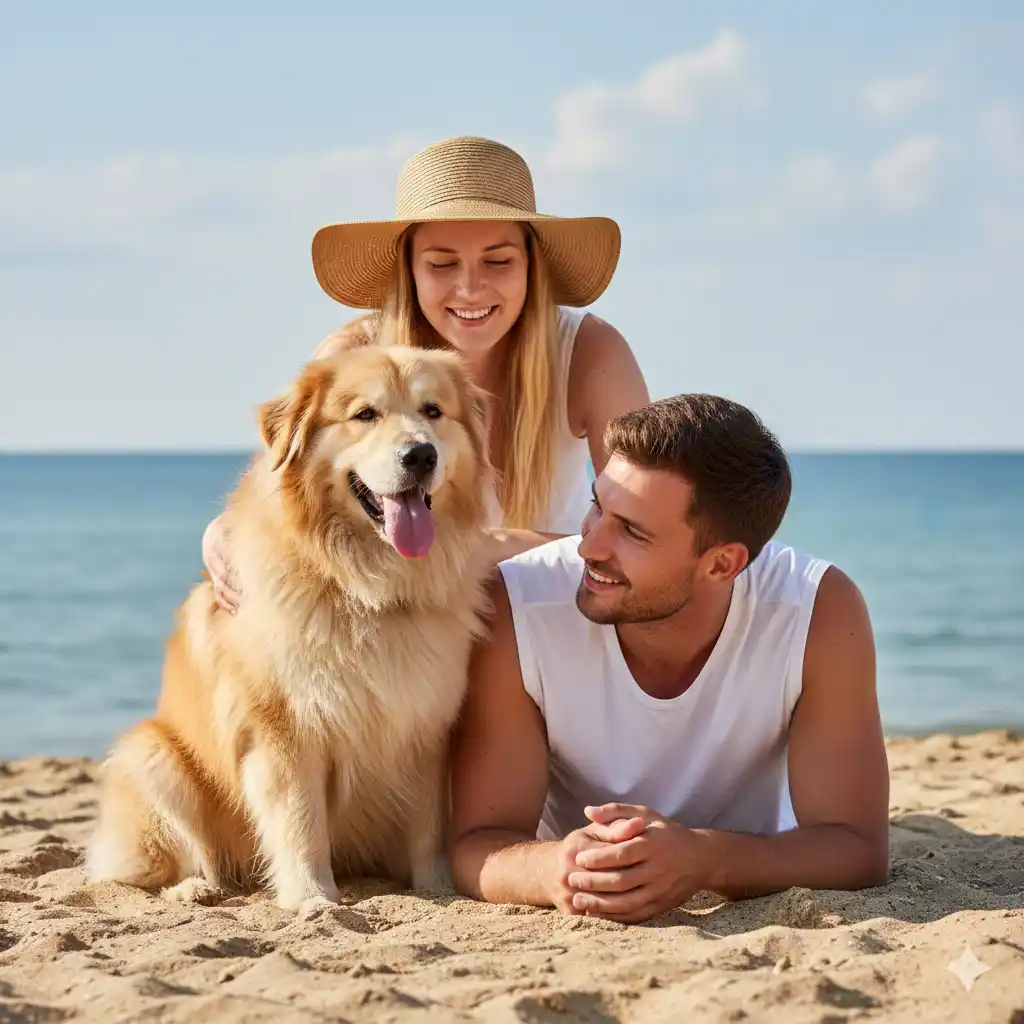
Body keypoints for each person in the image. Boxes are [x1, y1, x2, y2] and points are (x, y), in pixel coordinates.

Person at [447, 393, 890, 924]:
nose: (589, 546)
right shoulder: (516, 605)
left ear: (722, 564)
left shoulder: (817, 611)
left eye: (632, 531)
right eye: (597, 506)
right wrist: (555, 869)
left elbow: (857, 848)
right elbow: (476, 845)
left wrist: (703, 859)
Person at [203, 135, 649, 611]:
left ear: (530, 265)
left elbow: (645, 533)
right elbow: (271, 488)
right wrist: (218, 532)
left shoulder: (590, 353)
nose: (471, 288)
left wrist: (492, 547)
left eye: (498, 261)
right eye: (441, 264)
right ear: (410, 269)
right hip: (408, 626)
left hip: (552, 614)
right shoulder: (354, 356)